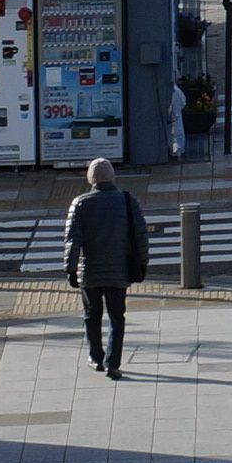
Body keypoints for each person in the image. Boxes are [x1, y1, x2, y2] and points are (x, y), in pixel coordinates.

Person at [63, 158, 149, 378]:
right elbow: (141, 235)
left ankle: (96, 356)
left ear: (90, 178)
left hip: (90, 270)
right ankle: (113, 362)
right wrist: (142, 263)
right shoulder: (128, 201)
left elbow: (73, 240)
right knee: (117, 316)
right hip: (119, 270)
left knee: (91, 314)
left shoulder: (80, 203)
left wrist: (71, 269)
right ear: (112, 177)